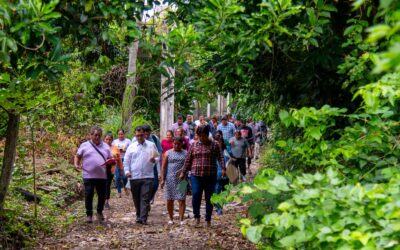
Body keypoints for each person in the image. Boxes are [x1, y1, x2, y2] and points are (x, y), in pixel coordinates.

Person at [180, 125, 225, 226]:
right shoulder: (194, 145)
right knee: (196, 194)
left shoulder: (215, 145)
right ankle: (197, 216)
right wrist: (183, 172)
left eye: (203, 136)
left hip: (210, 175)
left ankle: (208, 218)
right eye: (200, 136)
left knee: (209, 197)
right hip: (196, 175)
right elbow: (188, 160)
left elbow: (221, 157)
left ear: (208, 134)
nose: (202, 138)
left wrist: (223, 168)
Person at [74, 126, 113, 223]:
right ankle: (89, 214)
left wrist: (111, 164)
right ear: (90, 135)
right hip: (88, 175)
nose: (97, 137)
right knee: (89, 194)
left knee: (102, 195)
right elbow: (78, 156)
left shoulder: (105, 146)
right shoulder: (84, 145)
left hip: (102, 176)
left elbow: (111, 159)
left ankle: (99, 212)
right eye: (95, 135)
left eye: (99, 135)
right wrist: (76, 164)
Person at [124, 126, 160, 225]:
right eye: (137, 135)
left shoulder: (151, 145)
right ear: (135, 135)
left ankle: (143, 218)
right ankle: (138, 215)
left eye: (141, 135)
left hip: (148, 176)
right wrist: (127, 171)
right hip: (134, 176)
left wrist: (155, 160)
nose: (139, 137)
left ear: (145, 134)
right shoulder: (131, 146)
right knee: (136, 198)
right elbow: (126, 161)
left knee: (145, 197)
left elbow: (157, 157)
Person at [160, 137, 188, 225]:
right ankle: (171, 218)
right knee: (169, 199)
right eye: (174, 144)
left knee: (182, 199)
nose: (176, 145)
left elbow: (188, 164)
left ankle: (181, 219)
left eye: (178, 144)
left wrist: (183, 170)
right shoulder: (168, 153)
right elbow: (163, 167)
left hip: (182, 179)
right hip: (170, 179)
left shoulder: (186, 153)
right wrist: (162, 179)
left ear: (182, 144)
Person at [142, 125, 163, 204]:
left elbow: (159, 152)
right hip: (143, 166)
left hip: (153, 165)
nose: (146, 135)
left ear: (150, 132)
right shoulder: (138, 139)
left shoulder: (154, 138)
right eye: (145, 133)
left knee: (155, 184)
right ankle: (146, 201)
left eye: (148, 133)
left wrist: (159, 166)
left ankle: (150, 197)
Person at [103, 132, 123, 209]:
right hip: (101, 169)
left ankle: (106, 201)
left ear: (112, 140)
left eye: (110, 139)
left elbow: (119, 160)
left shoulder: (115, 148)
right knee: (101, 185)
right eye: (106, 139)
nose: (108, 141)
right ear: (104, 139)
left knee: (107, 185)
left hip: (111, 168)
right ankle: (102, 200)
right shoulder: (101, 147)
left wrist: (121, 170)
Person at [214, 131, 229, 215]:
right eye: (217, 141)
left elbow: (232, 160)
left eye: (220, 141)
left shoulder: (226, 151)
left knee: (225, 192)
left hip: (226, 175)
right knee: (217, 191)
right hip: (216, 175)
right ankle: (218, 208)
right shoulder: (212, 152)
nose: (218, 143)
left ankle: (221, 205)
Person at [112, 129, 131, 198]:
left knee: (124, 176)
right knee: (117, 177)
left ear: (124, 134)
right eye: (119, 134)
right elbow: (112, 150)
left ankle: (125, 188)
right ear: (117, 135)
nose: (120, 135)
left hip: (125, 159)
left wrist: (125, 150)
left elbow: (130, 150)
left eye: (122, 134)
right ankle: (119, 192)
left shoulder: (128, 141)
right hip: (117, 159)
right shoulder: (114, 142)